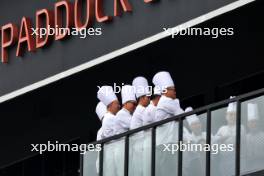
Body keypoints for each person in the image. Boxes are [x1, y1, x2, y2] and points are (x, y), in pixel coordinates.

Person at [152, 71, 187, 176]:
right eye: (173, 90)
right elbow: (182, 114)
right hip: (166, 143)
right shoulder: (166, 101)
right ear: (166, 90)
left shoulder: (166, 101)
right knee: (170, 171)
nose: (175, 92)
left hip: (167, 142)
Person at [214, 97, 246, 176]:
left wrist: (223, 140)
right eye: (230, 115)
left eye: (233, 115)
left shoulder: (241, 127)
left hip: (237, 160)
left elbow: (237, 142)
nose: (231, 117)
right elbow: (214, 141)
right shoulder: (222, 128)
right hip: (224, 162)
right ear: (226, 116)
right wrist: (222, 139)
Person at [129, 76, 151, 176]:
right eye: (148, 97)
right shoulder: (140, 111)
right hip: (140, 149)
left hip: (142, 148)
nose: (150, 100)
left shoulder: (141, 110)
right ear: (142, 97)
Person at [97, 86, 120, 176]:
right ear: (110, 105)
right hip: (112, 156)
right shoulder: (110, 118)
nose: (119, 106)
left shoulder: (110, 117)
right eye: (116, 104)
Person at [114, 85, 137, 176]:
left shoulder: (129, 114)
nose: (135, 106)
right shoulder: (121, 114)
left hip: (128, 149)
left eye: (136, 104)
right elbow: (134, 126)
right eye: (133, 104)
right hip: (121, 150)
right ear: (125, 103)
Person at [244, 103, 264, 173]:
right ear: (248, 124)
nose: (253, 124)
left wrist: (256, 157)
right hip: (249, 169)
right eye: (251, 122)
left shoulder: (263, 136)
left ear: (258, 123)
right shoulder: (245, 138)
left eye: (254, 122)